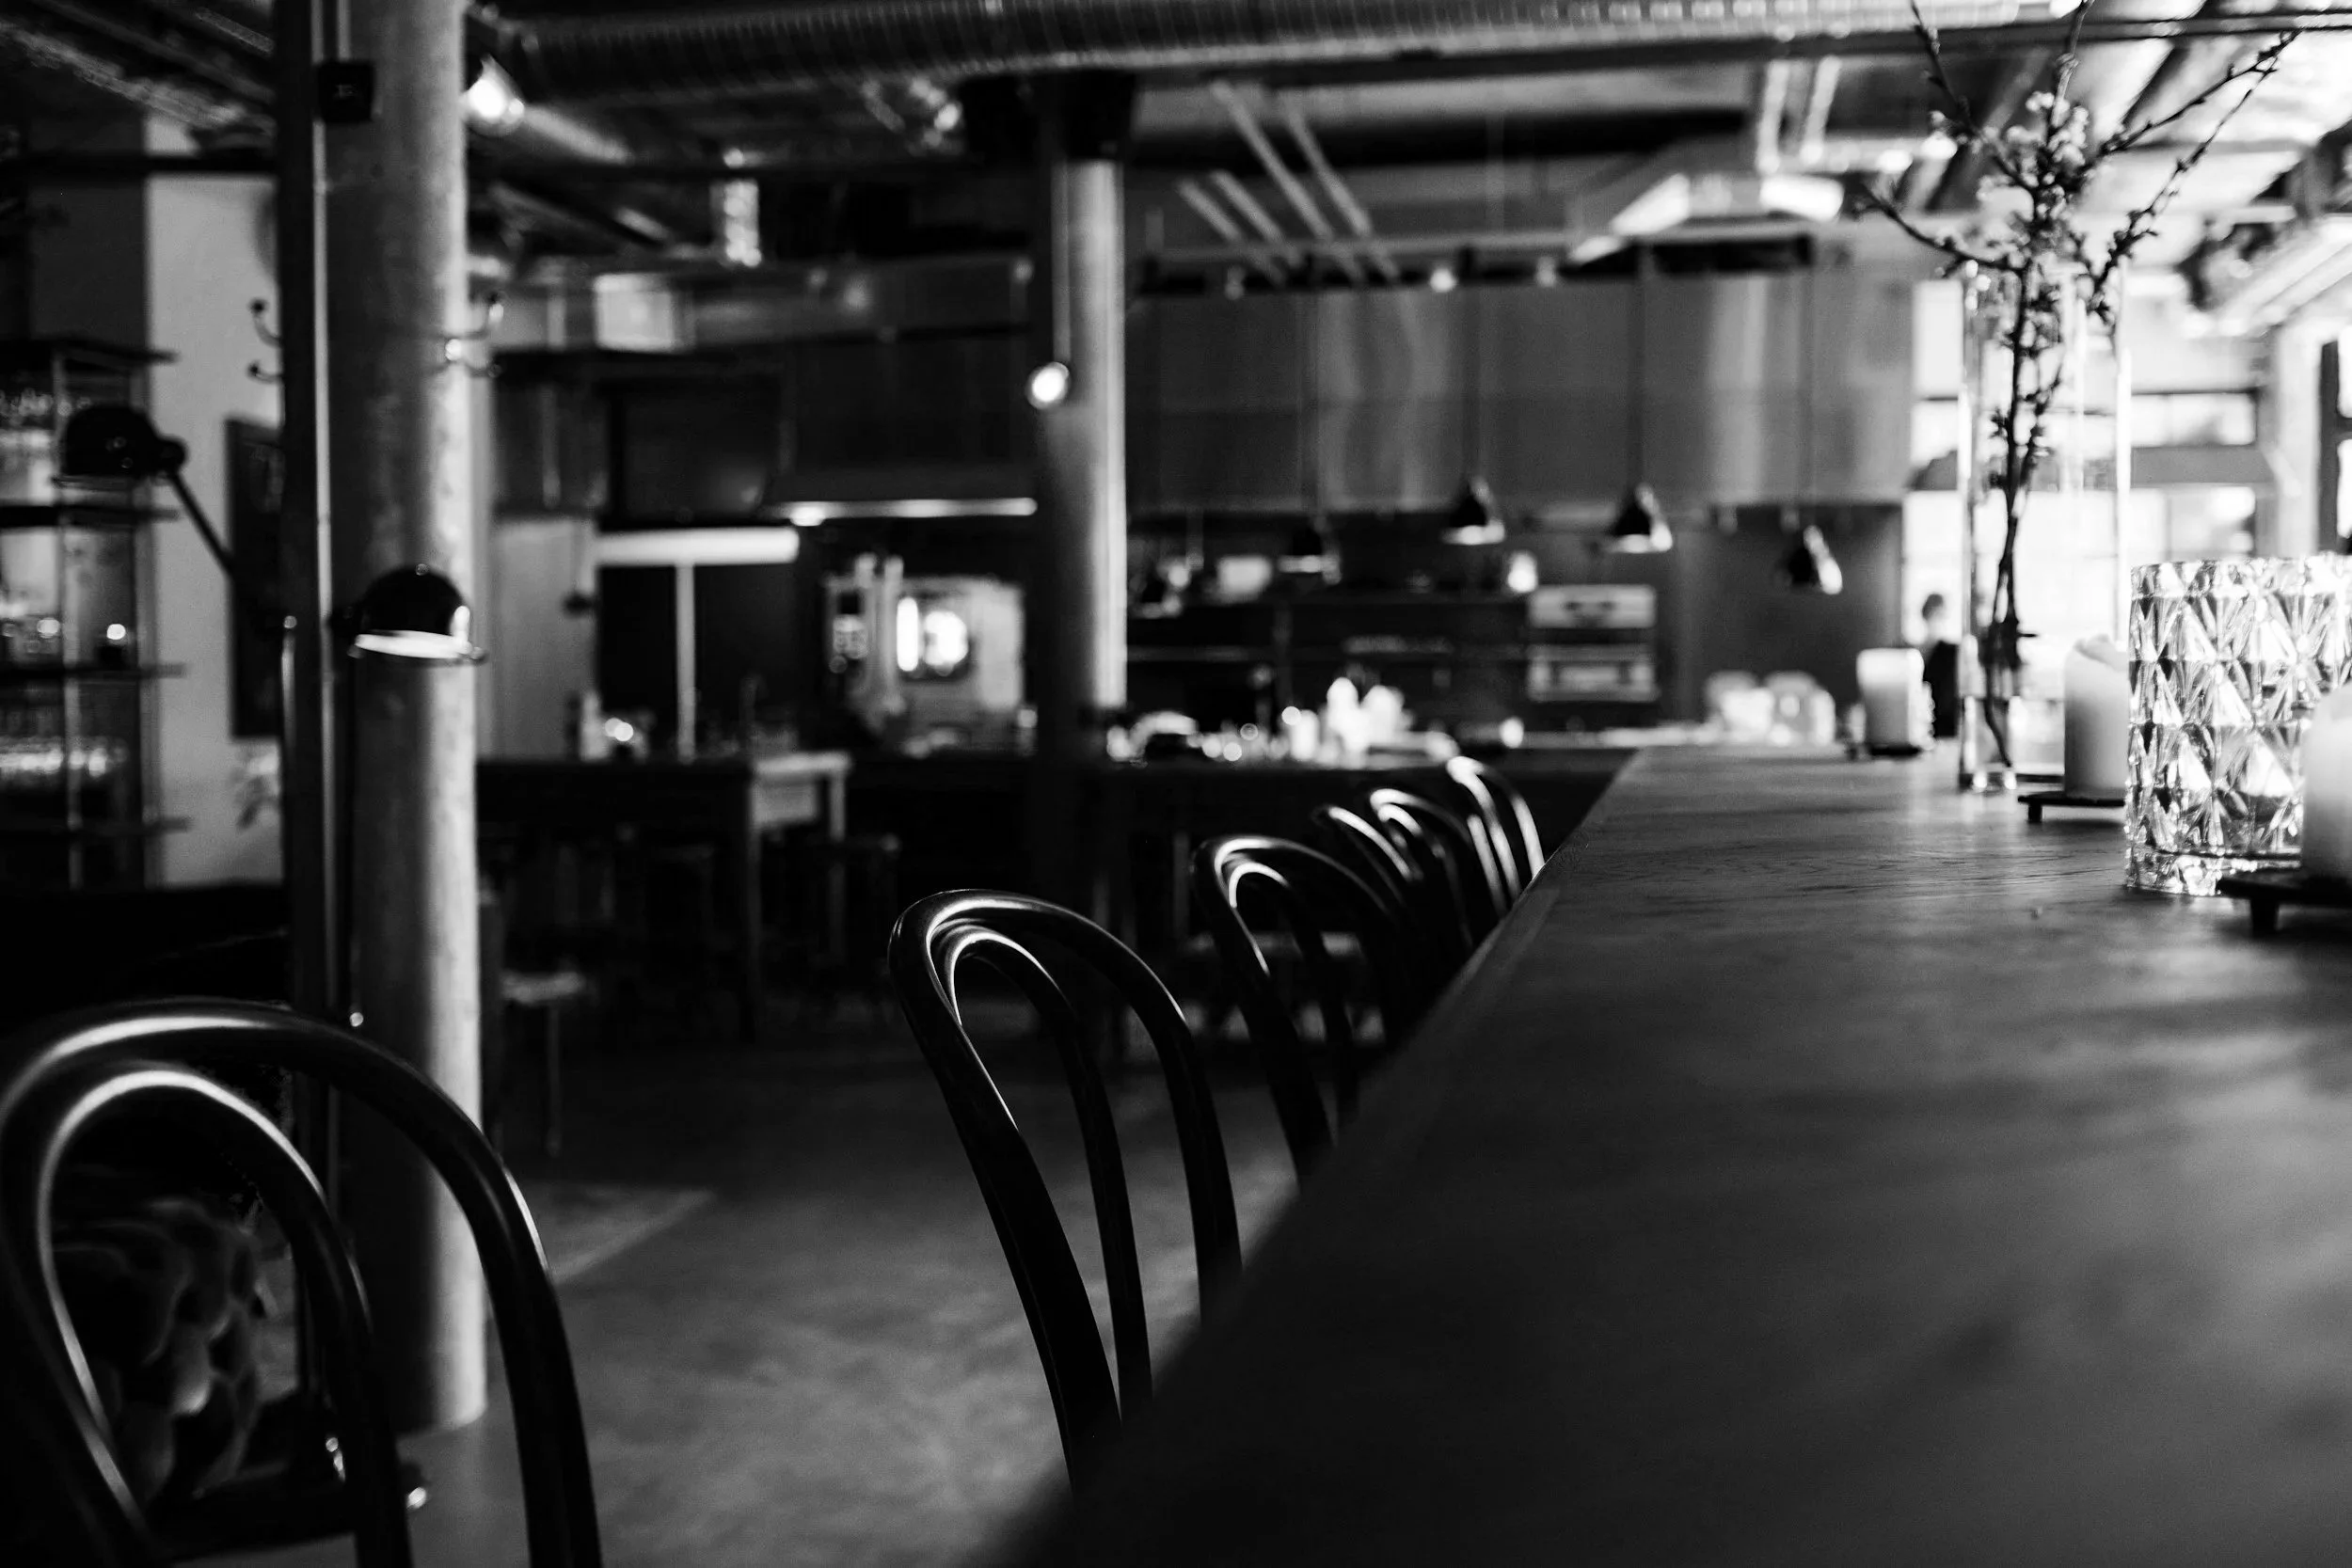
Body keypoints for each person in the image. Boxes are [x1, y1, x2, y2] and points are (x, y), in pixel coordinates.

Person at [1919, 594, 1961, 740]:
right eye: (1934, 614)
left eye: (1941, 615)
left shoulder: (1952, 653)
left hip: (1945, 732)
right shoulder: (1914, 654)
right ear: (1925, 615)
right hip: (1919, 729)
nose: (1937, 620)